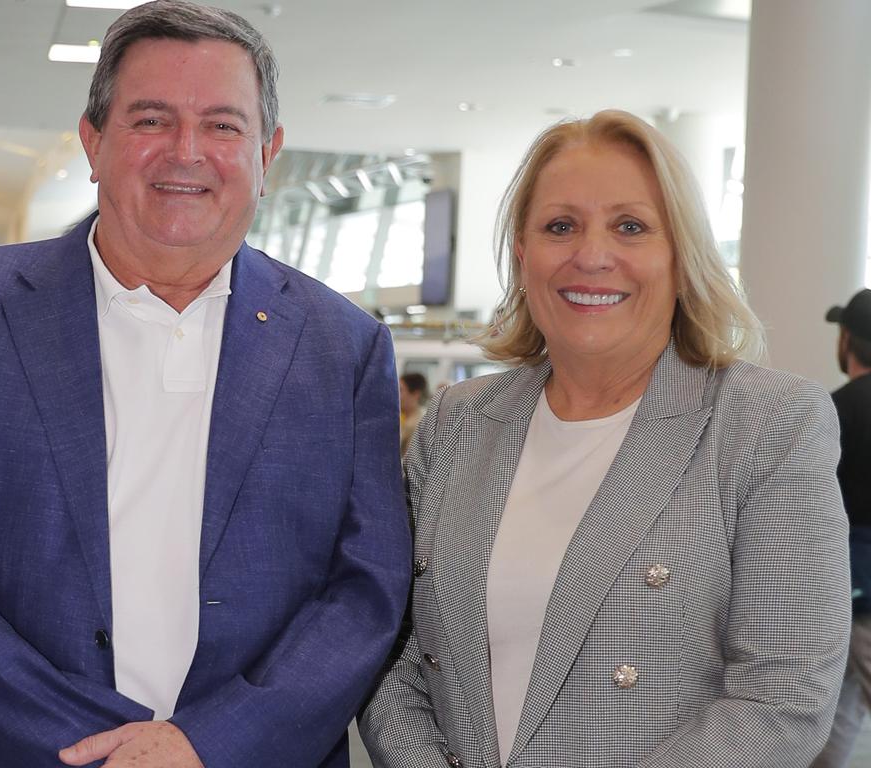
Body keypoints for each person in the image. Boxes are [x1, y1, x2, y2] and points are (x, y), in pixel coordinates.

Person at [0, 2, 411, 766]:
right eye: (151, 120)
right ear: (93, 141)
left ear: (268, 152)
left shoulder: (342, 346)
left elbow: (366, 591)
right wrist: (93, 745)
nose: (187, 152)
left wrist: (205, 744)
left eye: (223, 125)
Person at [359, 110, 850, 768]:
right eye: (561, 226)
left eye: (630, 226)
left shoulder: (767, 424)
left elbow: (781, 697)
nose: (592, 255)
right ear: (523, 256)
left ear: (681, 259)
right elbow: (389, 651)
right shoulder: (456, 423)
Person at [812, 288, 871, 767]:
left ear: (848, 340)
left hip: (853, 586)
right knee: (840, 710)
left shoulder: (833, 410)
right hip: (856, 593)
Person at [399, 372, 428, 457]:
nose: (395, 394)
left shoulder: (420, 423)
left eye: (400, 390)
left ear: (416, 394)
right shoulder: (402, 417)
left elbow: (410, 461)